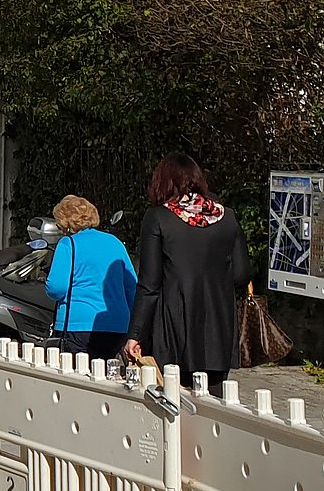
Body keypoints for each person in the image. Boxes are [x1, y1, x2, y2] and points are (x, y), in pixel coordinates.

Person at [124, 155, 252, 393]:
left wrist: (135, 334)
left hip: (173, 327)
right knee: (213, 405)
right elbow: (241, 274)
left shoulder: (158, 218)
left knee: (174, 401)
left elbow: (149, 284)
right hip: (218, 326)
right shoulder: (227, 217)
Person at [45, 195, 137, 359]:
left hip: (78, 326)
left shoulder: (68, 243)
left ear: (65, 222)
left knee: (76, 376)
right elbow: (132, 287)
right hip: (116, 326)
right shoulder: (114, 242)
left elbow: (56, 288)